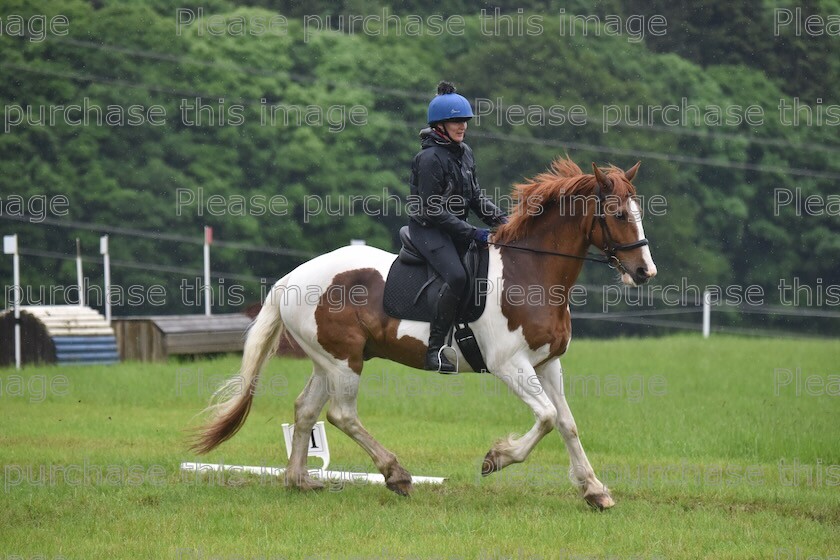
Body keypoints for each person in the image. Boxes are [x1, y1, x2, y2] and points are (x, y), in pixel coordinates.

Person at [408, 81, 507, 373]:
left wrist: (501, 220)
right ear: (439, 125)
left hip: (455, 228)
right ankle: (435, 349)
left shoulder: (465, 152)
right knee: (458, 275)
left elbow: (475, 197)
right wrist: (472, 232)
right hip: (428, 229)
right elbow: (432, 209)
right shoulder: (428, 159)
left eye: (464, 120)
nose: (462, 125)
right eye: (455, 121)